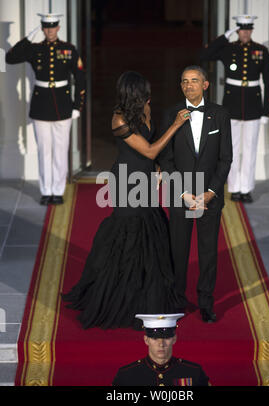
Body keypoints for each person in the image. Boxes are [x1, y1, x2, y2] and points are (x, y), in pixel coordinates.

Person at [62, 71, 191, 330]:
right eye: (144, 89)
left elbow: (150, 147)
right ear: (134, 91)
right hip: (126, 181)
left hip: (143, 177)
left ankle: (147, 291)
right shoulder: (118, 118)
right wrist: (176, 125)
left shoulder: (145, 107)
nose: (148, 94)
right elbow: (150, 148)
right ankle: (117, 295)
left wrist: (155, 169)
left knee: (149, 230)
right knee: (128, 231)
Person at [157, 66, 232, 323]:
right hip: (182, 197)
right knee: (178, 250)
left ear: (206, 84)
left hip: (210, 197)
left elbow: (225, 158)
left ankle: (206, 303)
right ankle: (176, 301)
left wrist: (210, 192)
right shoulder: (171, 114)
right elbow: (165, 160)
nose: (189, 85)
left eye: (194, 81)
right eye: (184, 81)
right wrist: (184, 193)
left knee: (208, 252)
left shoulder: (220, 115)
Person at [6, 13, 86, 206]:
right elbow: (10, 58)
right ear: (42, 29)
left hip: (63, 106)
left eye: (53, 27)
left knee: (60, 150)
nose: (50, 30)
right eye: (46, 27)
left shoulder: (69, 50)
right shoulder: (35, 49)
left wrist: (77, 105)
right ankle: (46, 190)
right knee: (44, 151)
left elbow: (81, 78)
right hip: (41, 106)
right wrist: (29, 37)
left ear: (58, 28)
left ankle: (57, 191)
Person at [199, 15, 269, 203]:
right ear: (237, 31)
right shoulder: (228, 48)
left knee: (250, 149)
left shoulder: (261, 51)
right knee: (230, 150)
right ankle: (234, 188)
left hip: (254, 107)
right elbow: (204, 55)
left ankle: (246, 188)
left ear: (252, 30)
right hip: (231, 106)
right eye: (242, 29)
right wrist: (225, 36)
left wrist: (266, 110)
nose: (245, 33)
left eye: (248, 29)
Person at [112, 314, 209, 386]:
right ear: (146, 340)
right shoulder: (127, 375)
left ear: (174, 339)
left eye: (166, 338)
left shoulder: (193, 372)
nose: (161, 344)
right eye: (155, 339)